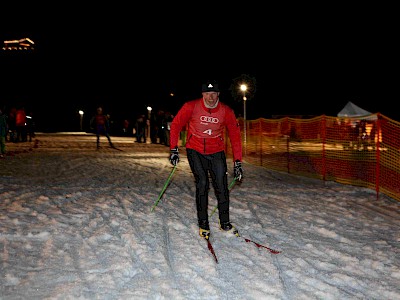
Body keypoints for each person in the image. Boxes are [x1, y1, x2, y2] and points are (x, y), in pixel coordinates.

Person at [168, 80, 244, 240]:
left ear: (218, 94)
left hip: (216, 151)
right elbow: (175, 124)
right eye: (208, 94)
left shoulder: (226, 111)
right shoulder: (191, 106)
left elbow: (235, 136)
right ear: (202, 94)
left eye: (214, 93)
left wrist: (238, 162)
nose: (211, 97)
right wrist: (173, 149)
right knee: (202, 182)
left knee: (222, 186)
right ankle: (203, 223)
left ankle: (225, 223)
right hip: (195, 149)